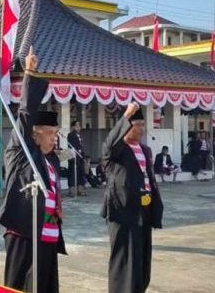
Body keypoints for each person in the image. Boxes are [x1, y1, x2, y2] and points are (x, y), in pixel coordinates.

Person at [0, 48, 66, 293]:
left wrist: (57, 208)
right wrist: (29, 73)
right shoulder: (21, 152)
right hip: (24, 235)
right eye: (50, 134)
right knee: (20, 288)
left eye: (56, 134)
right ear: (34, 134)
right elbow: (25, 114)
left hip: (48, 235)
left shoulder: (52, 161)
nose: (54, 139)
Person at [100, 103, 163, 293]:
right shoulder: (117, 151)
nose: (142, 130)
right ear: (127, 126)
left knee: (141, 257)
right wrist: (126, 115)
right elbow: (110, 145)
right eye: (138, 125)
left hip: (143, 209)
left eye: (143, 125)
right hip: (122, 210)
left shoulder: (145, 150)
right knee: (125, 257)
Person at [67, 120, 87, 196]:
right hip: (73, 157)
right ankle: (71, 190)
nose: (79, 127)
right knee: (72, 173)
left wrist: (83, 156)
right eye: (77, 126)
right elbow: (72, 146)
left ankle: (80, 189)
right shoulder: (70, 135)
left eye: (79, 126)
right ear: (73, 127)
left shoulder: (80, 135)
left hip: (80, 157)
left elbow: (81, 147)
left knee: (80, 173)